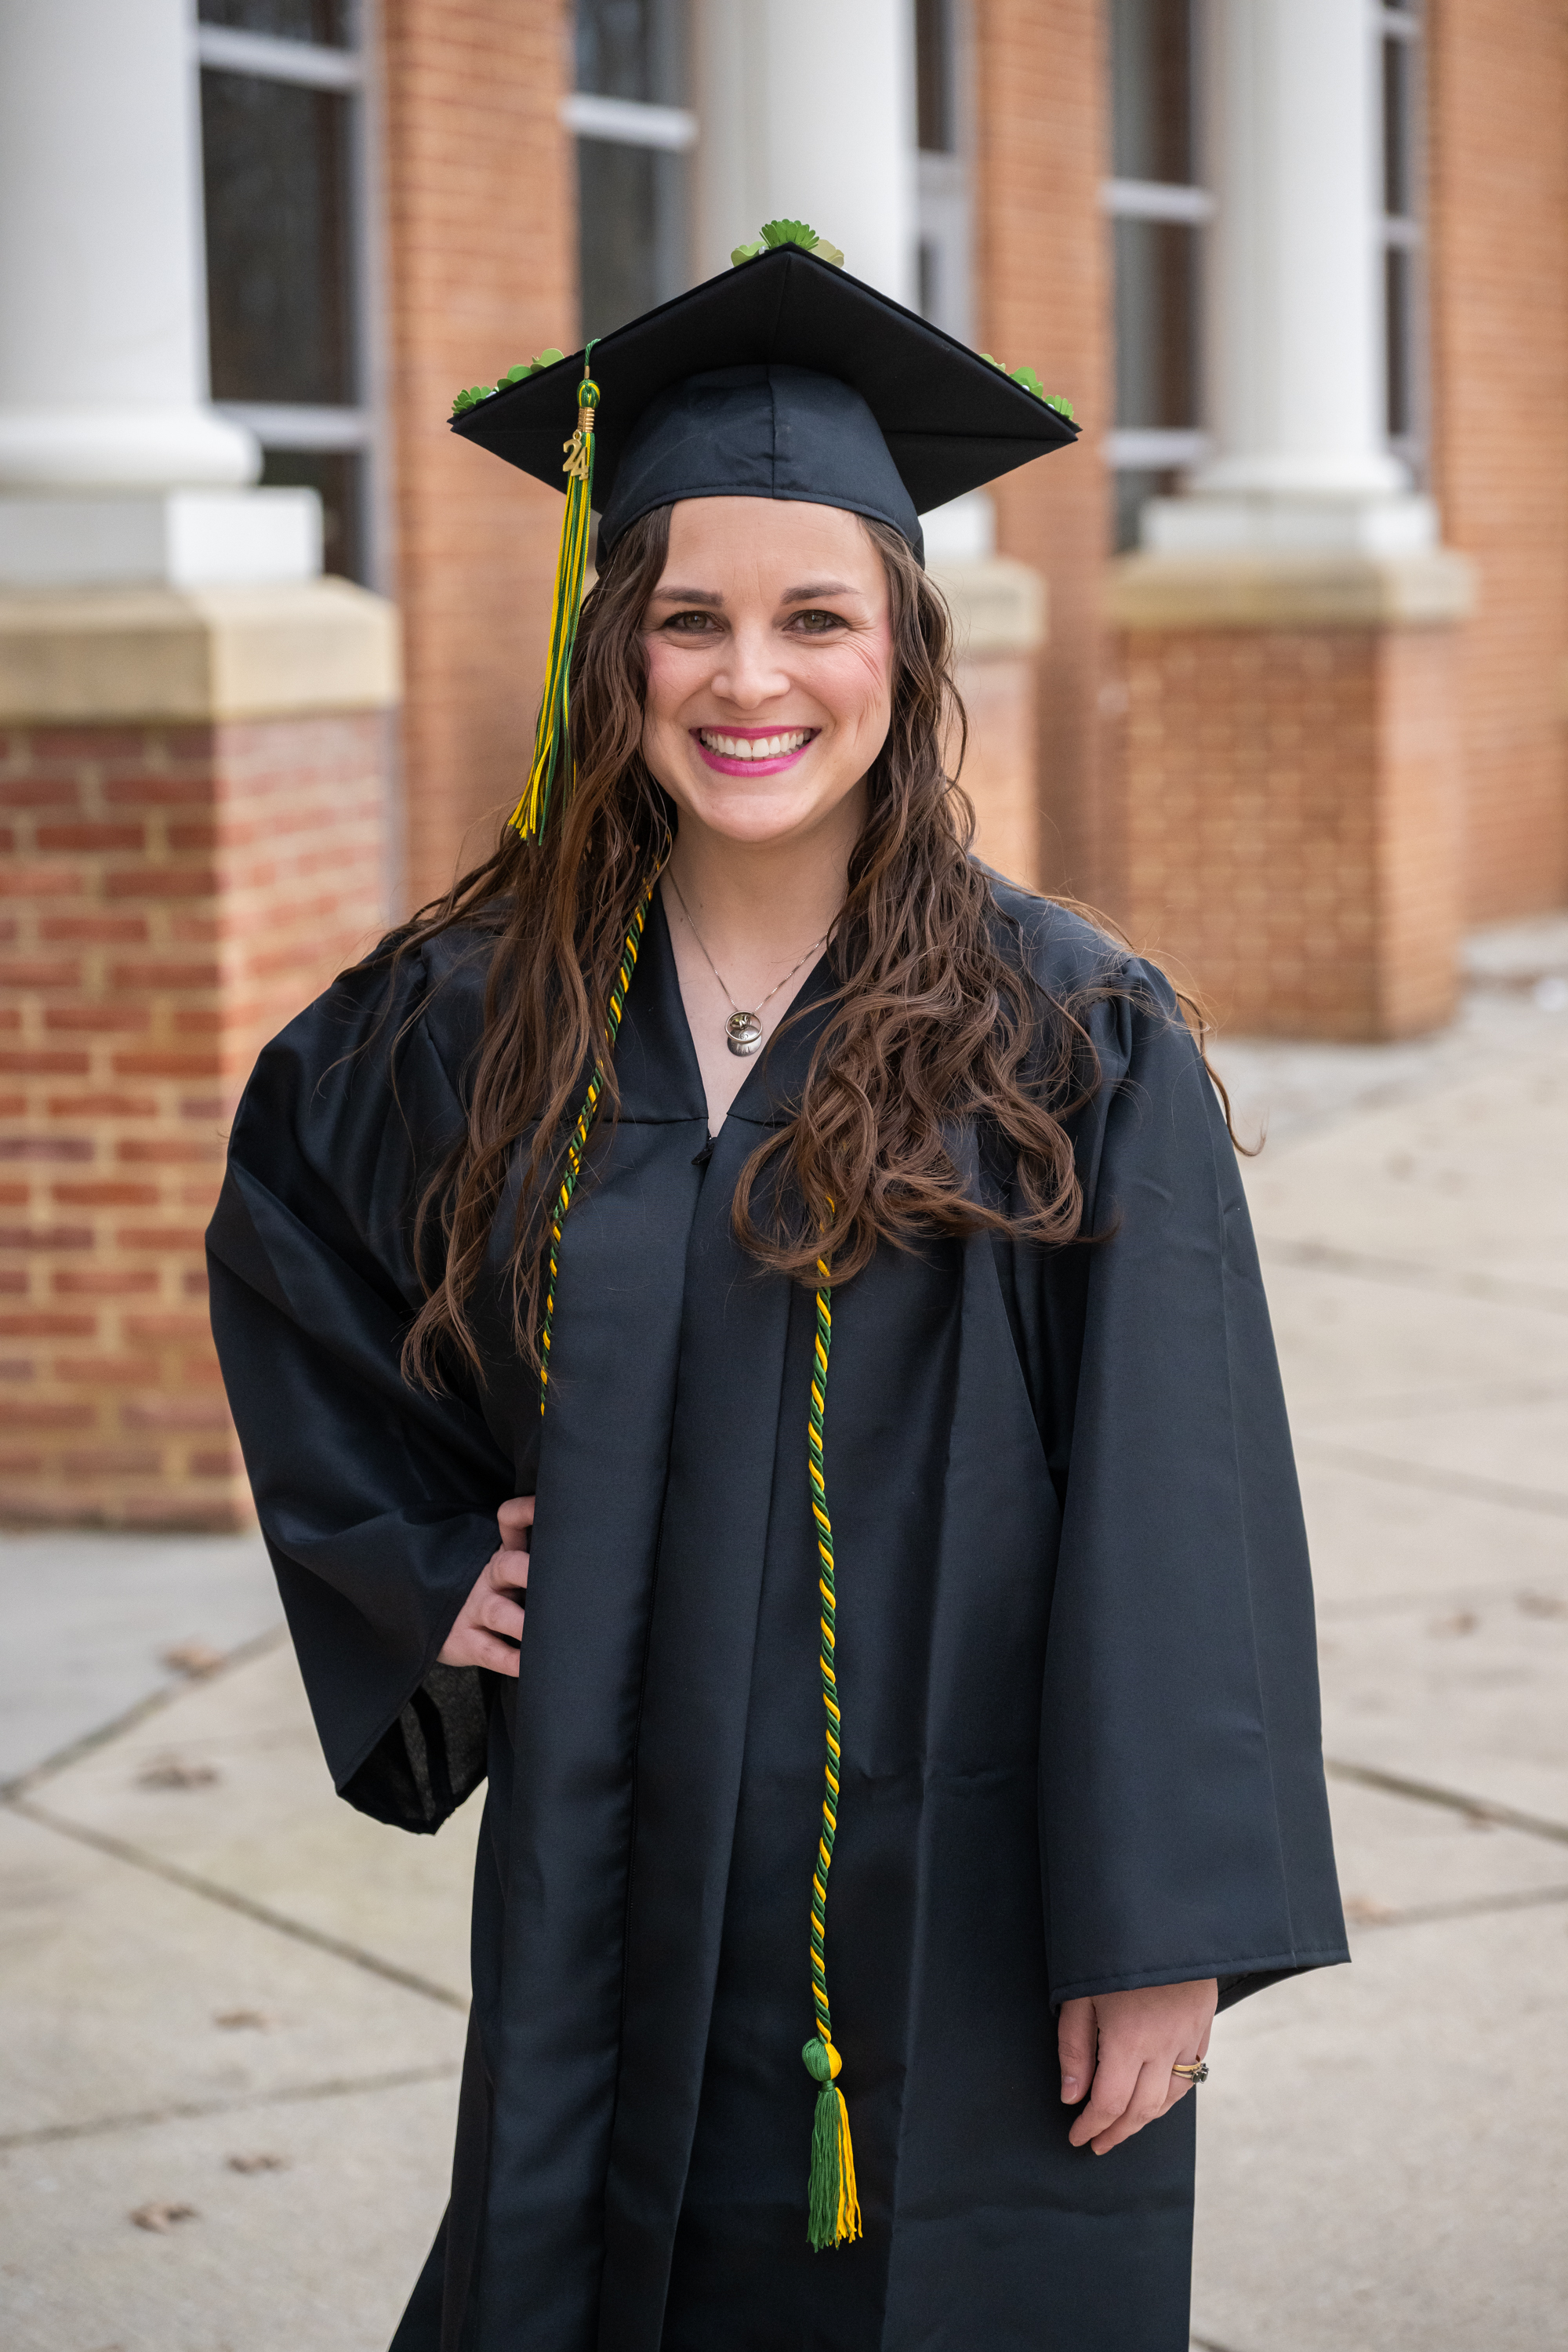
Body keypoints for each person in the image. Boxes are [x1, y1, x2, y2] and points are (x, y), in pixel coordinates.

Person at [207, 227, 1347, 2352]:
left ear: (903, 653)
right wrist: (408, 1553)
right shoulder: (477, 1014)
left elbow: (1186, 1500)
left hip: (968, 1906)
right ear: (610, 647)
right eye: (689, 620)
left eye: (816, 618)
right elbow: (292, 1240)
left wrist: (1169, 1925)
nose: (751, 681)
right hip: (607, 1876)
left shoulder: (1070, 1036)